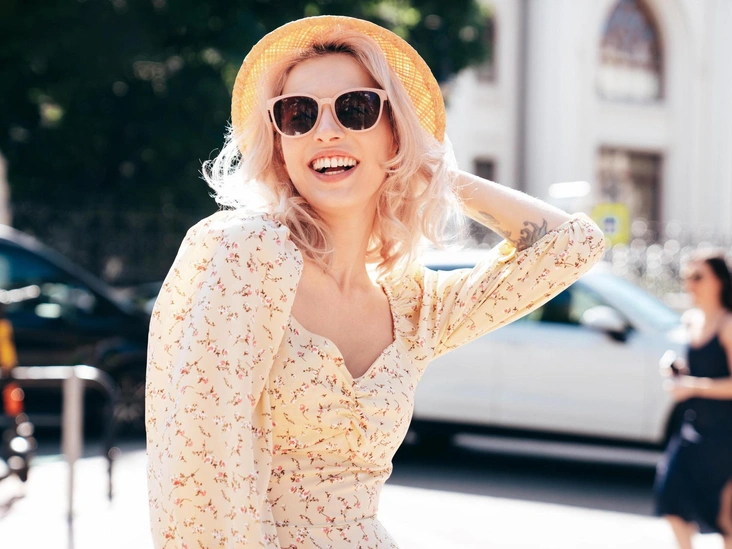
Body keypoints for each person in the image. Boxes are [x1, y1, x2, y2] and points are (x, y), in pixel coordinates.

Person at [145, 15, 606, 548]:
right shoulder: (245, 252)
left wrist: (431, 169)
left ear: (395, 133)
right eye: (298, 115)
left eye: (356, 109)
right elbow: (198, 479)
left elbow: (572, 245)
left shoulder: (412, 305)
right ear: (279, 143)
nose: (325, 130)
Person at [655, 251, 732, 549]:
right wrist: (678, 370)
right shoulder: (692, 320)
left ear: (719, 281)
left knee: (724, 516)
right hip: (693, 425)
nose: (690, 284)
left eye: (698, 277)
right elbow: (701, 368)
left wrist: (692, 386)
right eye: (687, 277)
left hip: (725, 434)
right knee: (670, 496)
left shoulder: (728, 324)